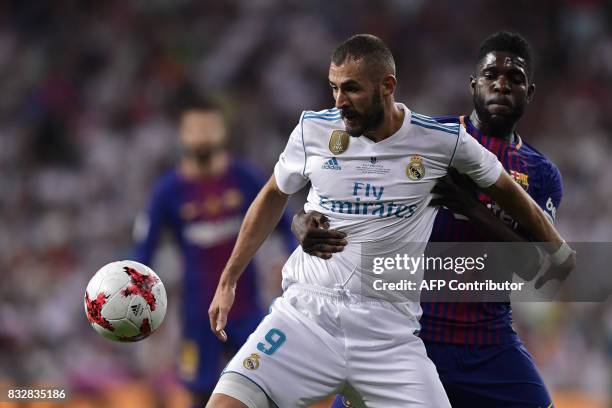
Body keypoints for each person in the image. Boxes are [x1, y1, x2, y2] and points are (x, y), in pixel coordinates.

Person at [207, 34, 574, 408]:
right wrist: (275, 241)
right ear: (473, 83)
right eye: (334, 88)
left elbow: (522, 229)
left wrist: (551, 245)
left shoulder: (443, 143)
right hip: (319, 318)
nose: (339, 102)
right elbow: (285, 193)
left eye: (350, 89)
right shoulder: (317, 130)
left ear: (387, 87)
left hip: (413, 334)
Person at [133, 100, 294, 407]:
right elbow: (144, 251)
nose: (203, 135)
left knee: (264, 389)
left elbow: (286, 226)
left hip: (247, 310)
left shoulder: (245, 178)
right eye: (195, 128)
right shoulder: (167, 191)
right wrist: (134, 293)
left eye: (209, 127)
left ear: (223, 131)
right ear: (182, 135)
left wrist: (292, 259)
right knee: (200, 393)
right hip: (197, 314)